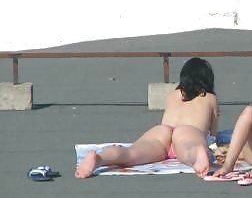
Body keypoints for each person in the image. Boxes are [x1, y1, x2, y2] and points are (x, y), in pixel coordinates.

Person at [75, 57, 219, 179]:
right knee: (189, 151)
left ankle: (100, 158)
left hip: (162, 131)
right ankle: (197, 154)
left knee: (130, 153)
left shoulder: (172, 95)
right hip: (188, 132)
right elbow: (212, 132)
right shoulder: (210, 98)